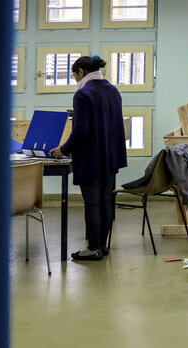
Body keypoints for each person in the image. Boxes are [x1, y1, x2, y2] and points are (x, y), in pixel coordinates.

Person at [50, 55, 127, 261]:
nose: (75, 80)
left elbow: (81, 131)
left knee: (92, 203)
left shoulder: (83, 93)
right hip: (111, 156)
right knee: (105, 201)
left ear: (81, 72)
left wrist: (63, 150)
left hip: (92, 157)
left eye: (74, 75)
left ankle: (93, 249)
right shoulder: (113, 90)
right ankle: (102, 246)